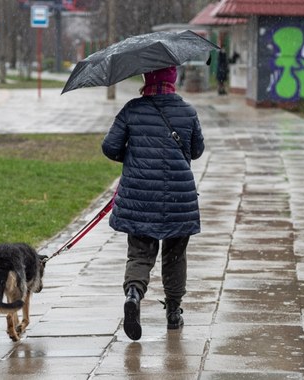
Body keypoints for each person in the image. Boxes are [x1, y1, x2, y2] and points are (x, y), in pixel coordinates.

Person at [101, 66, 205, 341]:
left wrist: (134, 156)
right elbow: (196, 150)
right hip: (178, 197)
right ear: (173, 80)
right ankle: (173, 312)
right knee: (175, 255)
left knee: (140, 253)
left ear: (147, 78)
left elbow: (110, 147)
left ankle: (134, 295)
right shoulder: (187, 111)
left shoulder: (132, 109)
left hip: (140, 196)